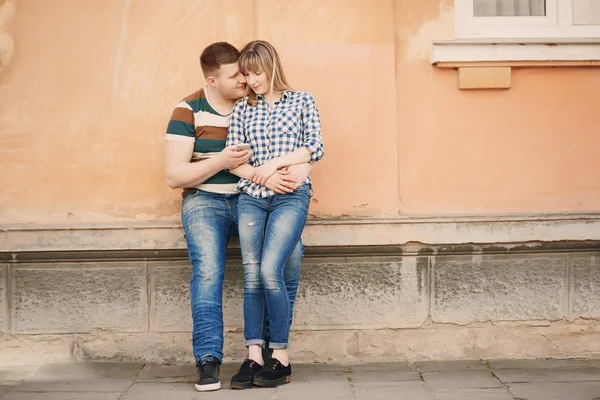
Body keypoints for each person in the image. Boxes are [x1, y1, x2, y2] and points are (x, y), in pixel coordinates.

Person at [164, 42, 311, 392]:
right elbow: (173, 176)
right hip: (207, 201)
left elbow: (302, 145)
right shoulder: (189, 110)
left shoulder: (261, 103)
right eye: (236, 75)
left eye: (246, 72)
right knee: (209, 271)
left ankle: (270, 353)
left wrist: (288, 171)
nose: (244, 79)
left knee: (288, 260)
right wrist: (220, 161)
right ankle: (208, 360)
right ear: (213, 81)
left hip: (261, 199)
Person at [227, 40, 324, 388]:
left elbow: (315, 146)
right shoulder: (242, 110)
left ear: (271, 66)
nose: (252, 80)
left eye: (257, 72)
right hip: (252, 197)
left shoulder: (301, 100)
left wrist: (274, 164)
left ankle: (280, 356)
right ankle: (254, 354)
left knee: (271, 269)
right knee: (252, 275)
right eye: (247, 74)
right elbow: (234, 161)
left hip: (290, 196)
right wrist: (261, 174)